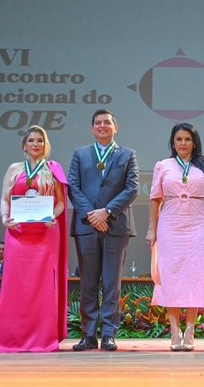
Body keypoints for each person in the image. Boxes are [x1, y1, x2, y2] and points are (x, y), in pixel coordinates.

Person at [0, 125, 68, 352]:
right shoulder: (14, 169)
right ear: (24, 145)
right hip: (18, 234)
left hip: (45, 235)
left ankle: (42, 338)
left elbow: (61, 202)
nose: (35, 144)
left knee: (42, 287)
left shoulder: (53, 169)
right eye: (31, 140)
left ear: (46, 145)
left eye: (40, 141)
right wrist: (5, 218)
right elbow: (5, 198)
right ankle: (11, 338)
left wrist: (53, 215)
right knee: (17, 286)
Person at [68, 109, 139, 352]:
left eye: (107, 122)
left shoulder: (128, 154)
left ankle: (108, 334)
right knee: (87, 282)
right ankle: (88, 335)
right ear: (92, 128)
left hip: (115, 226)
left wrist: (106, 212)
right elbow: (73, 188)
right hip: (87, 226)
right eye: (97, 123)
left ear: (115, 127)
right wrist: (92, 214)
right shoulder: (80, 154)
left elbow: (132, 188)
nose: (102, 126)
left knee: (111, 283)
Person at [146, 123, 204, 352]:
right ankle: (174, 330)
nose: (183, 143)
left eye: (187, 139)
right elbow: (155, 198)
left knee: (194, 275)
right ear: (173, 142)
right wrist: (152, 228)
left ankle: (190, 328)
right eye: (178, 139)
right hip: (170, 224)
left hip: (198, 222)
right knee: (171, 276)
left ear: (194, 142)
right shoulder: (163, 166)